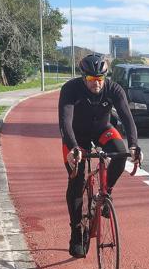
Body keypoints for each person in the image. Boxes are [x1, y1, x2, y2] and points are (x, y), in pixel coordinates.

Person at [58, 54, 142, 258]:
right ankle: (77, 232)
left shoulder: (114, 89)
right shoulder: (70, 89)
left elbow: (127, 118)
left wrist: (134, 145)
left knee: (120, 153)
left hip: (102, 130)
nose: (96, 84)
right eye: (91, 80)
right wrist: (73, 147)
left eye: (100, 80)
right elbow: (65, 122)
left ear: (105, 78)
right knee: (76, 181)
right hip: (75, 137)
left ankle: (106, 194)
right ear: (83, 77)